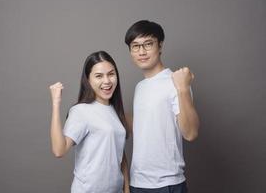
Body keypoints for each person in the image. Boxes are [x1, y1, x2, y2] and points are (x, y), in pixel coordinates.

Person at [125, 20, 200, 193]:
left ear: (160, 46)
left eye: (148, 44)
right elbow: (145, 126)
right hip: (138, 183)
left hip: (166, 184)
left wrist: (182, 88)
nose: (141, 51)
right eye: (135, 46)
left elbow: (191, 133)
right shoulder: (140, 87)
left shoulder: (175, 81)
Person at [49, 51, 130, 193]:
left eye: (111, 74)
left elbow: (120, 156)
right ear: (88, 79)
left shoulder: (116, 111)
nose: (107, 81)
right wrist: (56, 103)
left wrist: (127, 190)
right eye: (99, 76)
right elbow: (58, 150)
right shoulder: (81, 111)